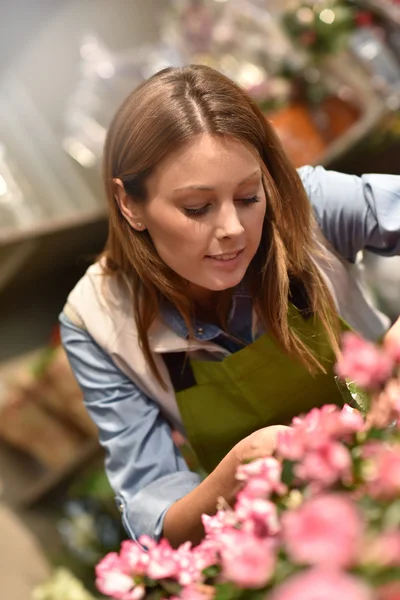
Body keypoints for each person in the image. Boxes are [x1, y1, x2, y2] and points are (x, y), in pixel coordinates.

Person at [60, 64, 400, 548]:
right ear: (129, 204)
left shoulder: (308, 205)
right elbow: (155, 515)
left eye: (248, 196)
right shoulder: (95, 324)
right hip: (292, 545)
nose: (233, 229)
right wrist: (236, 471)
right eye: (197, 208)